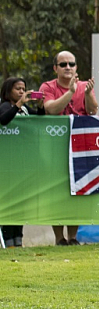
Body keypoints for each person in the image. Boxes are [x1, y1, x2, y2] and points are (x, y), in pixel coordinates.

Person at [41, 51, 98, 246]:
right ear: (55, 68)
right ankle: (59, 238)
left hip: (80, 147)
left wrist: (88, 93)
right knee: (56, 191)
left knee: (77, 189)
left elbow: (92, 111)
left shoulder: (84, 86)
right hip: (53, 147)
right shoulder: (47, 86)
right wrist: (71, 92)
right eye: (63, 64)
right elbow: (51, 109)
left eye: (71, 64)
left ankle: (73, 237)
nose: (68, 67)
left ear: (76, 67)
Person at [0, 77, 45, 248]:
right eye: (17, 88)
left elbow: (39, 119)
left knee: (20, 202)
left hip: (24, 162)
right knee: (10, 201)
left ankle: (18, 238)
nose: (21, 92)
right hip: (9, 162)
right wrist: (18, 105)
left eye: (23, 88)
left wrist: (40, 105)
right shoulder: (5, 106)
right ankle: (8, 239)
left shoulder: (25, 108)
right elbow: (4, 120)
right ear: (8, 90)